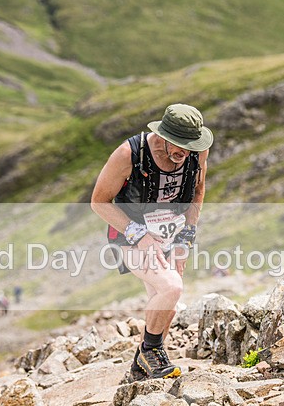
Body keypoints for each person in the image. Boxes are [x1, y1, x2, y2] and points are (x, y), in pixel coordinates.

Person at [91, 103, 212, 381]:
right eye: (179, 145)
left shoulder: (197, 151)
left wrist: (186, 236)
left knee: (164, 300)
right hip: (128, 233)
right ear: (163, 135)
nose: (185, 152)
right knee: (171, 287)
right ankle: (151, 351)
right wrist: (139, 235)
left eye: (190, 145)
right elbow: (98, 202)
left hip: (172, 232)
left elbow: (198, 189)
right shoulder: (128, 155)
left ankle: (142, 367)